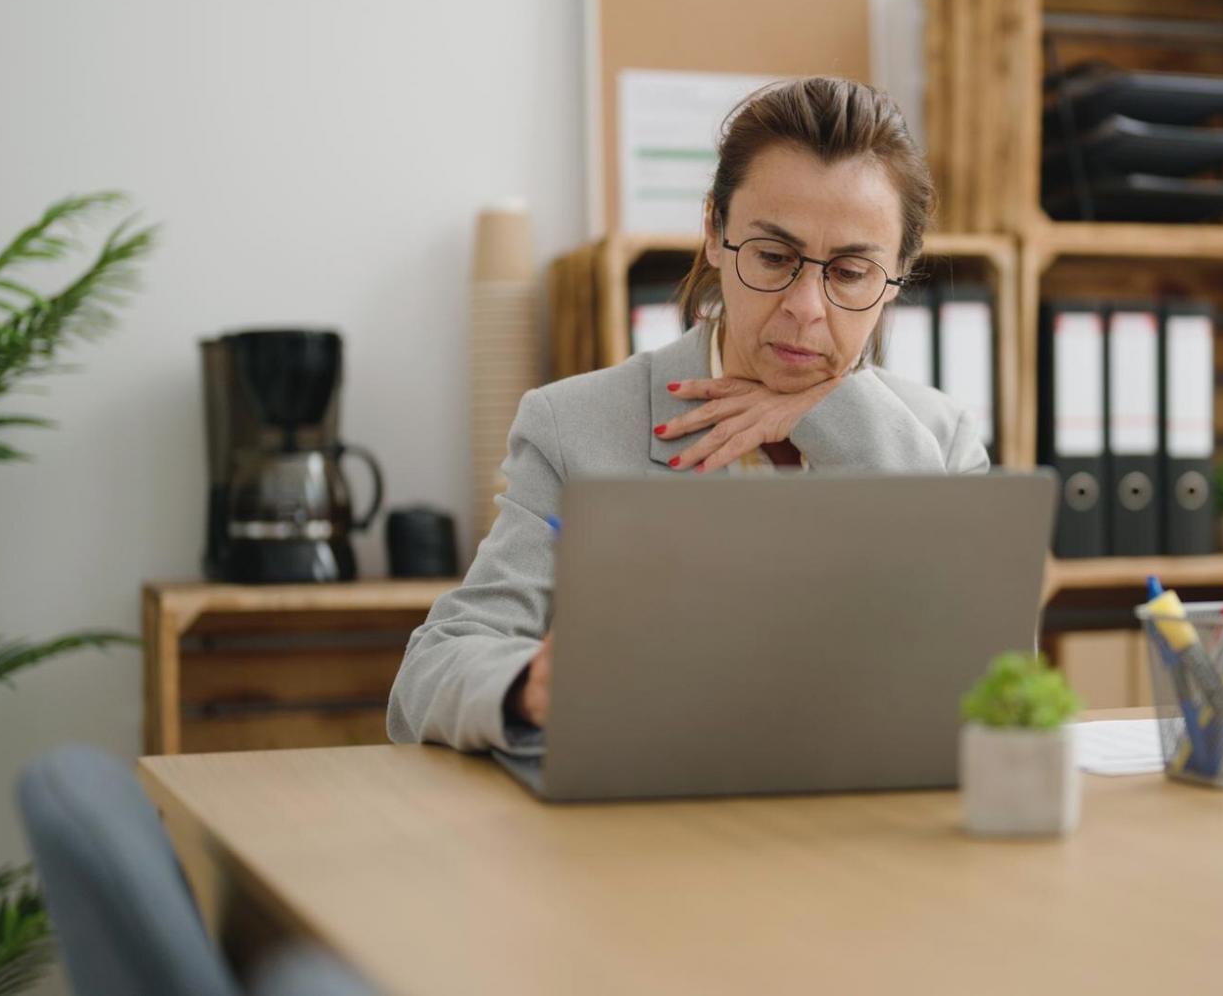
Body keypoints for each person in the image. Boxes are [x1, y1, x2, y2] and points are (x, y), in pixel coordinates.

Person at [387, 77, 989, 753]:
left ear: (898, 276)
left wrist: (831, 409)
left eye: (849, 272)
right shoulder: (573, 425)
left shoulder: (943, 440)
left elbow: (994, 690)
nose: (805, 307)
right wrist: (528, 684)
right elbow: (428, 675)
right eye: (772, 257)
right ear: (713, 232)